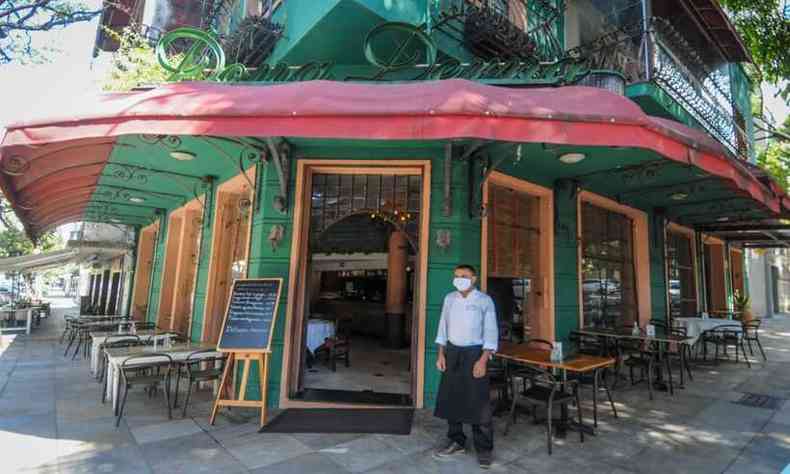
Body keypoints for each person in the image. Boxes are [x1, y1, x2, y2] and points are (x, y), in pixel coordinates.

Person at [433, 264, 498, 469]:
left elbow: (490, 331)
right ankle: (456, 441)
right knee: (451, 398)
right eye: (456, 276)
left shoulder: (484, 301)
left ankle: (484, 449)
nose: (459, 279)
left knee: (478, 403)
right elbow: (443, 326)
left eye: (464, 276)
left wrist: (483, 359)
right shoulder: (449, 298)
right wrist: (441, 354)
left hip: (474, 354)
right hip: (452, 353)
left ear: (474, 279)